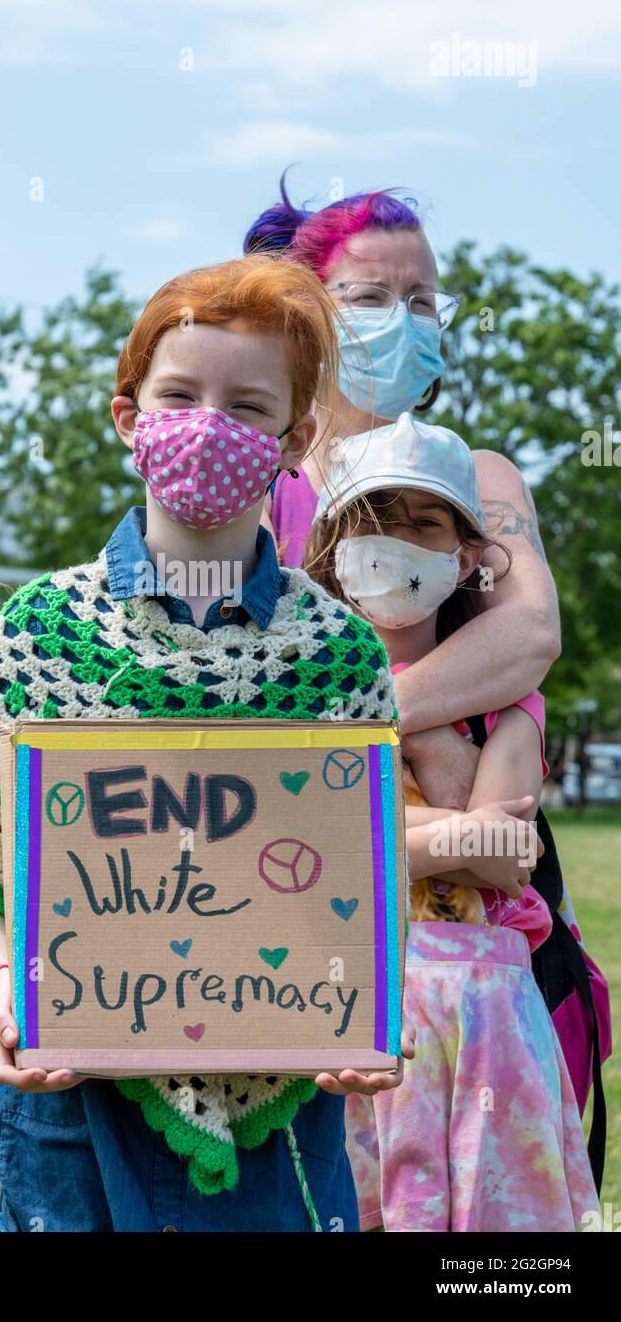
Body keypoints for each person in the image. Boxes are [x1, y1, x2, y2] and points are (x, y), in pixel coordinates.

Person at [0, 255, 414, 1233]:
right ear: (129, 416)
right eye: (179, 394)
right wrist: (6, 980)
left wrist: (366, 1012)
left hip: (281, 1112)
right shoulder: (39, 630)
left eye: (245, 404)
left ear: (293, 440)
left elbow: (364, 879)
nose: (206, 421)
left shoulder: (337, 654)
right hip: (72, 1105)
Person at [244, 181, 610, 1179]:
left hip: (471, 924)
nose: (401, 323)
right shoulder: (254, 492)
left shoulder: (479, 477)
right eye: (369, 297)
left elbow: (526, 634)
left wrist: (324, 746)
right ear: (305, 306)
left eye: (421, 300)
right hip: (297, 911)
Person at [304, 413, 598, 1231]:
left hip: (485, 1022)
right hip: (345, 1017)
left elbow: (507, 857)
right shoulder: (298, 686)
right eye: (372, 524)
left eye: (423, 523)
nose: (395, 541)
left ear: (467, 556)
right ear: (330, 551)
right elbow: (296, 847)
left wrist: (412, 736)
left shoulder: (512, 702)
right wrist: (452, 833)